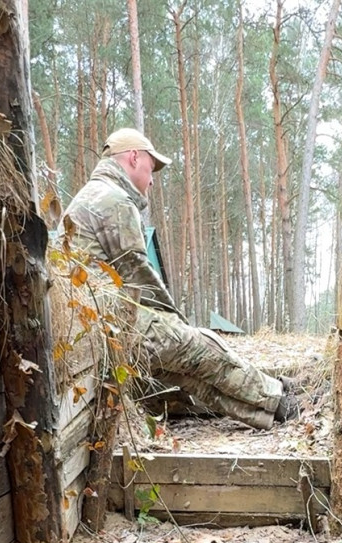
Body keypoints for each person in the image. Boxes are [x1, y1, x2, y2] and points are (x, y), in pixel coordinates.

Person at [61, 128, 298, 430]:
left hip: (97, 328)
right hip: (111, 323)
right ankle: (277, 396)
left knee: (190, 375)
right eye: (151, 165)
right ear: (133, 157)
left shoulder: (93, 194)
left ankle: (271, 412)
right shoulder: (113, 199)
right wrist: (178, 323)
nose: (153, 177)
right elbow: (138, 274)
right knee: (202, 347)